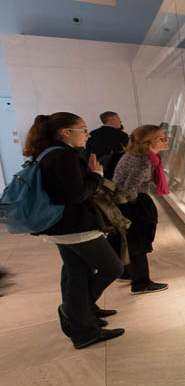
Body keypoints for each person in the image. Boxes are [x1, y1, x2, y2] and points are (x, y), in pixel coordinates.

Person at [23, 112, 125, 348]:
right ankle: (75, 315)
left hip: (60, 226)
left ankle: (83, 322)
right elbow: (75, 194)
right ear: (65, 132)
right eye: (83, 129)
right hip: (75, 226)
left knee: (76, 273)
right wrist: (96, 176)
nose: (87, 135)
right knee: (113, 267)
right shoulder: (64, 156)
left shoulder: (46, 153)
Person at [111, 125, 169, 294]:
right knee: (138, 243)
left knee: (132, 242)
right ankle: (141, 282)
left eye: (165, 138)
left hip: (126, 204)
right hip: (132, 205)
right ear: (147, 142)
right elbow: (130, 190)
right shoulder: (143, 161)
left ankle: (128, 273)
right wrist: (137, 207)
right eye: (161, 139)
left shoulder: (136, 156)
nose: (165, 141)